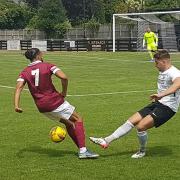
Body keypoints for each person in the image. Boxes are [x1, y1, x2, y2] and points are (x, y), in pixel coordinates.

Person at [90, 49, 180, 158]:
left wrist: (161, 95)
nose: (155, 66)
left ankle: (142, 151)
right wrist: (159, 97)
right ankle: (106, 140)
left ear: (164, 62)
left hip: (168, 108)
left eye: (157, 63)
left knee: (141, 126)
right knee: (131, 121)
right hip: (158, 103)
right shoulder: (163, 71)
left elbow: (177, 85)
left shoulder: (174, 72)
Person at [14, 48, 99, 159]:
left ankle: (82, 148)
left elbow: (18, 88)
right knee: (78, 118)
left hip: (42, 107)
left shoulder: (24, 72)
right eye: (41, 53)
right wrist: (64, 92)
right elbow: (64, 77)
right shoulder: (48, 65)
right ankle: (83, 151)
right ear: (39, 55)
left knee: (69, 123)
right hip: (54, 102)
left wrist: (16, 105)